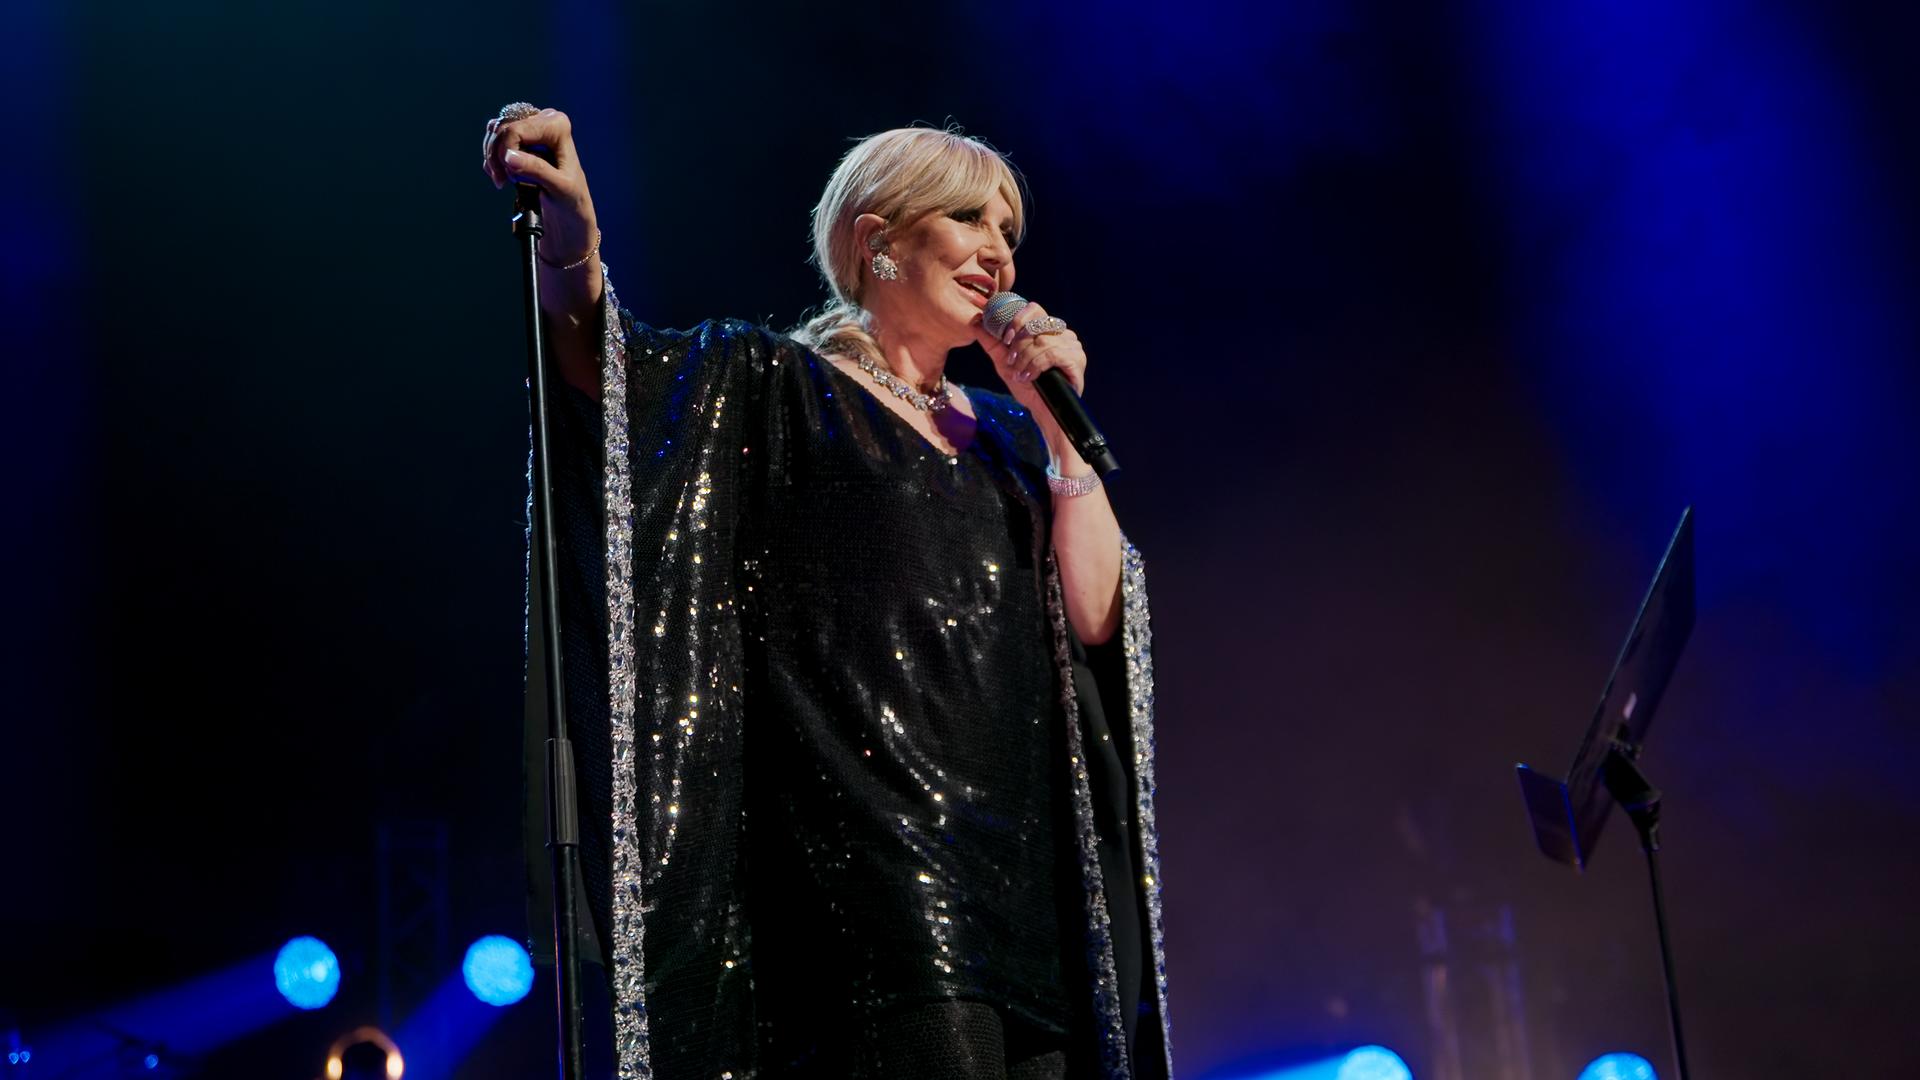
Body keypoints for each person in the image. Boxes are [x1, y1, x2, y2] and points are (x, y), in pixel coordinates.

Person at [483, 105, 1171, 1080]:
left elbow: (1097, 620)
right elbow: (613, 375)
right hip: (879, 886)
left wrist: (1062, 439)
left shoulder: (1015, 439)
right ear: (878, 240)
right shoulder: (775, 387)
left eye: (1008, 230)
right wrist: (574, 256)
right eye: (968, 218)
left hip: (1027, 893)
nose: (999, 254)